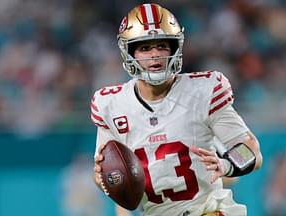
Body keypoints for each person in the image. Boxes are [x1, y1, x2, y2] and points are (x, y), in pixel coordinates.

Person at [91, 3, 262, 216]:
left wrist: (226, 163)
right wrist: (103, 179)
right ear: (129, 53)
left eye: (162, 46)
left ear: (175, 48)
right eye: (145, 48)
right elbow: (111, 177)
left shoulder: (203, 91)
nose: (155, 55)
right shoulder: (112, 105)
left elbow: (251, 148)